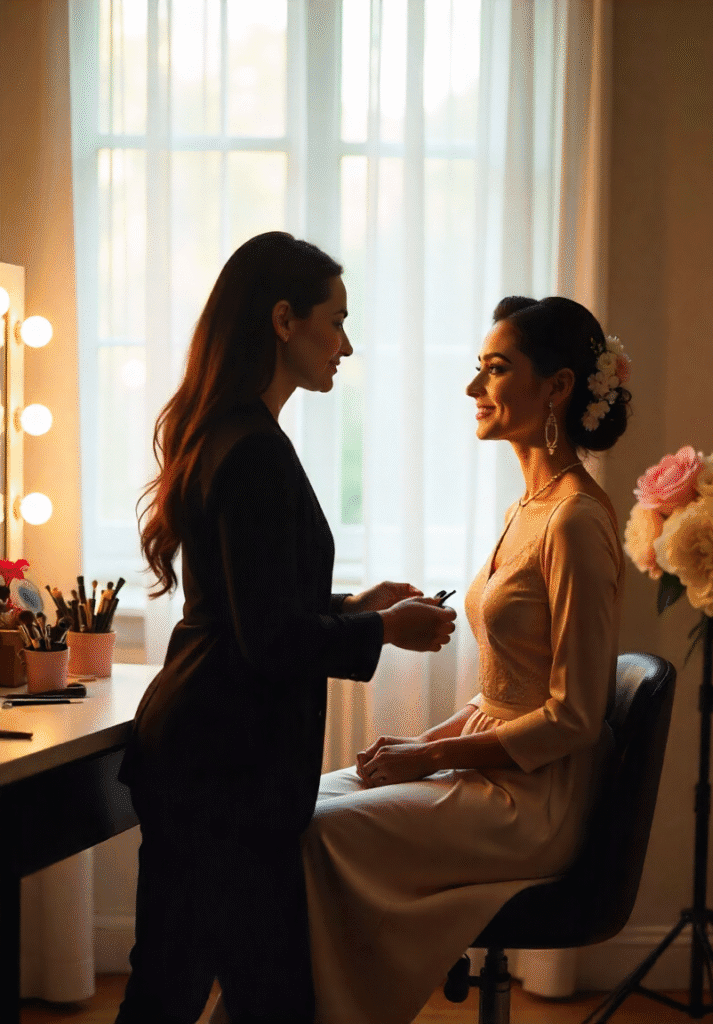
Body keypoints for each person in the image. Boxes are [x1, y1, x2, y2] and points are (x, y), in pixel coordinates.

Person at [113, 231, 456, 1024]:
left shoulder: (230, 433)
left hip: (206, 760)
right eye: (335, 320)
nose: (347, 343)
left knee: (172, 987)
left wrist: (356, 607)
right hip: (224, 770)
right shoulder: (255, 451)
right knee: (249, 997)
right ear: (282, 320)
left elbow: (252, 609)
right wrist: (382, 633)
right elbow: (267, 640)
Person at [300, 295, 631, 1024]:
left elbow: (573, 718)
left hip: (535, 800)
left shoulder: (575, 520)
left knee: (321, 833)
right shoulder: (528, 508)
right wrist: (427, 744)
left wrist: (426, 762)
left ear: (558, 387)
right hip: (495, 766)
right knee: (300, 805)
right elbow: (501, 693)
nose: (473, 389)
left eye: (495, 369)